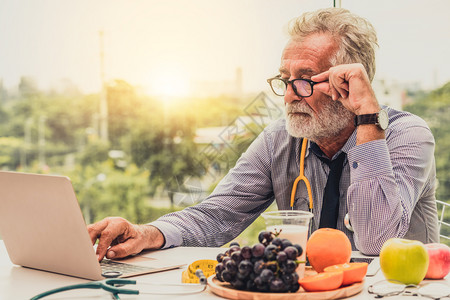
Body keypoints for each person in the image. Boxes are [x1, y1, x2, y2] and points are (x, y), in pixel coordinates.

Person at [88, 7, 439, 260]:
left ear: (347, 82)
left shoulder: (407, 136)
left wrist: (366, 117)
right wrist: (146, 233)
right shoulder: (281, 140)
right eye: (285, 80)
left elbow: (378, 241)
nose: (288, 95)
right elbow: (218, 215)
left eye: (304, 79)